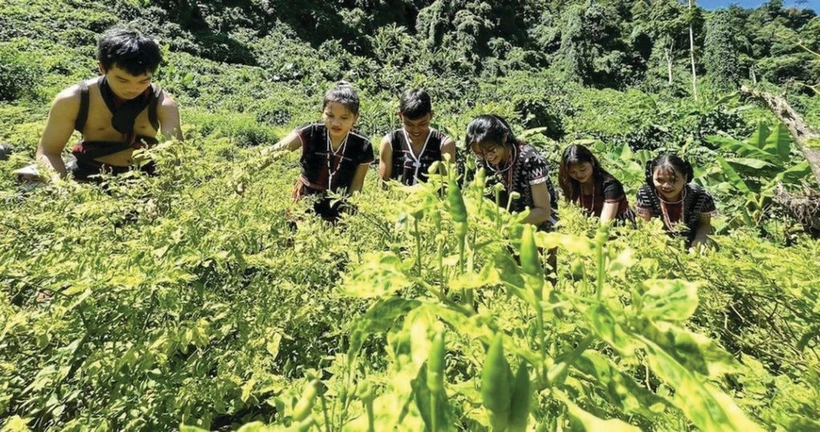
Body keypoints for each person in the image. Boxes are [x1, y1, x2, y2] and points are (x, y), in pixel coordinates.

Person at [14, 27, 182, 183]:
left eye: (144, 81)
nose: (133, 88)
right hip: (88, 173)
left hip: (143, 178)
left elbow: (175, 158)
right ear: (102, 67)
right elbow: (48, 152)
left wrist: (162, 198)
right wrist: (62, 188)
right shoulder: (73, 99)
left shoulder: (163, 103)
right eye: (122, 80)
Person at [248, 82, 374, 222]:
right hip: (305, 200)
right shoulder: (311, 132)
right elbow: (274, 152)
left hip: (338, 207)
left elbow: (356, 186)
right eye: (330, 115)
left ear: (355, 118)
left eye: (344, 118)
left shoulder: (362, 144)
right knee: (296, 239)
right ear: (322, 112)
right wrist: (244, 174)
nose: (335, 123)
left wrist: (348, 218)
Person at [466, 115, 558, 230]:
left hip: (538, 222)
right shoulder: (483, 162)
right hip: (505, 222)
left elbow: (544, 211)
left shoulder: (531, 160)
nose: (487, 156)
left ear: (504, 138)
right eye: (480, 153)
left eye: (491, 149)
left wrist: (507, 223)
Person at [636, 154, 717, 249]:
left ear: (685, 178)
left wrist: (697, 244)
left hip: (693, 246)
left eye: (673, 180)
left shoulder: (701, 195)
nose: (666, 185)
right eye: (659, 180)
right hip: (658, 245)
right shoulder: (645, 193)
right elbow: (646, 227)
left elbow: (705, 224)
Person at [378, 89, 455, 185]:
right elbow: (383, 183)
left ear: (431, 115)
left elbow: (448, 184)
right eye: (409, 124)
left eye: (422, 124)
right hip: (398, 198)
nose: (416, 130)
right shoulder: (390, 142)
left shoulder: (444, 144)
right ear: (400, 116)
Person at [558, 144, 635, 225]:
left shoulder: (610, 185)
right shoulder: (572, 183)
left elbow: (605, 223)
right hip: (589, 225)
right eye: (572, 172)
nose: (579, 175)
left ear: (592, 162)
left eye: (583, 169)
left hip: (620, 225)